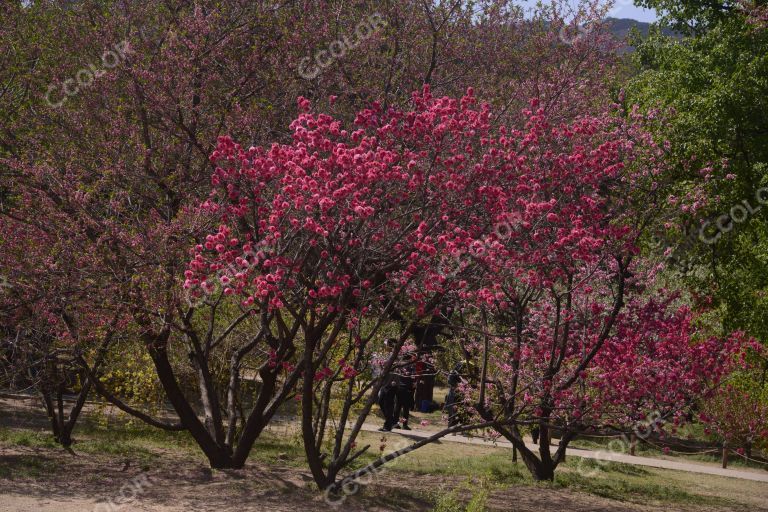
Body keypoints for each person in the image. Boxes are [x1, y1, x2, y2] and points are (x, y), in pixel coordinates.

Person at [375, 339, 399, 432]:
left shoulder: (395, 356)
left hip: (392, 384)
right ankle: (392, 421)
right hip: (385, 383)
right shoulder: (386, 355)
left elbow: (397, 370)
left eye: (386, 345)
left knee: (388, 405)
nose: (385, 347)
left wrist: (394, 381)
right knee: (381, 402)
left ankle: (388, 426)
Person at [393, 353, 417, 430]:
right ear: (410, 358)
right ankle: (404, 424)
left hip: (399, 388)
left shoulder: (398, 366)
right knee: (406, 408)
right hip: (407, 388)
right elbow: (413, 378)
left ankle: (395, 423)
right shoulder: (411, 366)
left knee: (397, 406)